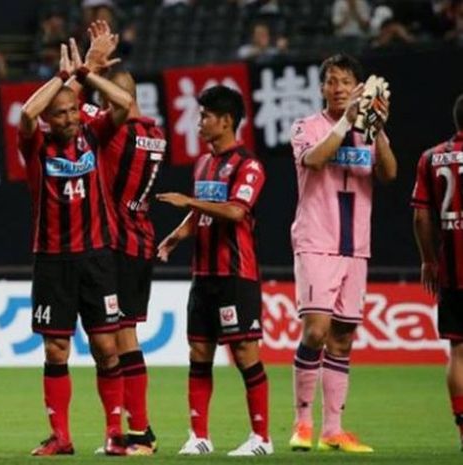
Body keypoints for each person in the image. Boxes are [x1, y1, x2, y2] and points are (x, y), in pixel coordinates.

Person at [18, 38, 133, 456]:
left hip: (96, 255)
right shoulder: (35, 144)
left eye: (72, 111)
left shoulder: (93, 133)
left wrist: (87, 74)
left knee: (107, 347)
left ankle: (114, 434)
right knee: (55, 347)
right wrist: (63, 76)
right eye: (60, 113)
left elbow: (123, 105)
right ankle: (61, 437)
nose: (68, 118)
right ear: (50, 119)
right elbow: (26, 113)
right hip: (52, 259)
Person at [288, 54, 397, 453]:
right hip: (316, 241)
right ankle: (302, 422)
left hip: (356, 246)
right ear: (321, 88)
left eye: (345, 81)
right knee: (316, 330)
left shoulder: (367, 131)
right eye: (331, 81)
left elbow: (388, 174)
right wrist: (347, 121)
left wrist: (378, 131)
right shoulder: (306, 127)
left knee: (343, 337)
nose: (337, 88)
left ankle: (333, 429)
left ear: (357, 87)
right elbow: (314, 159)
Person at [157, 85, 273, 456]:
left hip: (235, 274)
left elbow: (236, 211)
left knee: (244, 354)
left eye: (205, 116)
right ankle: (200, 437)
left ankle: (261, 439)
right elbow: (202, 212)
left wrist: (189, 201)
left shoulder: (249, 165)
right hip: (203, 274)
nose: (199, 123)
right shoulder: (203, 164)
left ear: (226, 121)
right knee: (199, 353)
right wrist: (176, 236)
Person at [68, 20, 164, 455]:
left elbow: (67, 107)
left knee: (118, 339)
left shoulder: (116, 129)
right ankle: (133, 430)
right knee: (125, 337)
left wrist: (87, 67)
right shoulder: (156, 134)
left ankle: (140, 432)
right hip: (141, 238)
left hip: (114, 244)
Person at [412, 94, 463, 451]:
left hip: (452, 272)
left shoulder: (431, 158)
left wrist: (429, 260)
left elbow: (420, 215)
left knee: (459, 352)